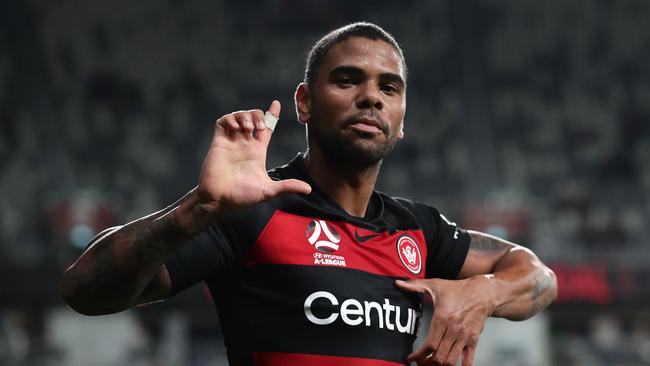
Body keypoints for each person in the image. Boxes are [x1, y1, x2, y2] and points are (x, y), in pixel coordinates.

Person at [60, 22, 557, 366]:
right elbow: (84, 290)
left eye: (390, 88)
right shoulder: (252, 212)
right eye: (347, 79)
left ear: (402, 120)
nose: (371, 96)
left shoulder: (418, 229)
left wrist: (481, 293)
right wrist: (197, 209)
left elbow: (538, 276)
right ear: (304, 102)